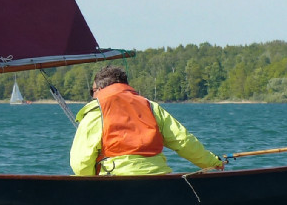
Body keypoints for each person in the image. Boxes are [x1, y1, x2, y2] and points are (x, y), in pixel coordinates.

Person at [70, 65, 223, 176]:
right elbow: (183, 141)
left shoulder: (96, 112)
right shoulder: (150, 106)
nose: (92, 96)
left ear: (100, 89)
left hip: (115, 183)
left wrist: (91, 185)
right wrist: (211, 162)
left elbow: (80, 163)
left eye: (92, 91)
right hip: (158, 179)